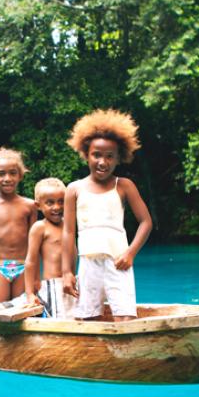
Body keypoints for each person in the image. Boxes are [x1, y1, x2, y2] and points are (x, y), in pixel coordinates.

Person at [62, 110, 153, 321]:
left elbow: (146, 222)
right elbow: (68, 233)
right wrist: (67, 271)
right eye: (97, 155)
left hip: (118, 262)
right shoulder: (74, 189)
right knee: (88, 318)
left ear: (119, 158)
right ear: (86, 153)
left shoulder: (124, 186)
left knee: (126, 319)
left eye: (109, 156)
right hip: (87, 264)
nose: (102, 162)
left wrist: (130, 253)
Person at [0, 148, 38, 303]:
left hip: (24, 266)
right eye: (1, 173)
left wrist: (36, 276)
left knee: (21, 309)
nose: (7, 178)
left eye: (12, 173)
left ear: (20, 175)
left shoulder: (30, 206)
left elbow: (35, 244)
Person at [23, 177, 75, 318]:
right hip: (52, 285)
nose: (57, 207)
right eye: (50, 203)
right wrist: (30, 293)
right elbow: (31, 261)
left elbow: (72, 255)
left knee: (74, 318)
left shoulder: (69, 226)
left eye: (61, 201)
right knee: (57, 319)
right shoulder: (40, 227)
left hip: (69, 284)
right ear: (38, 205)